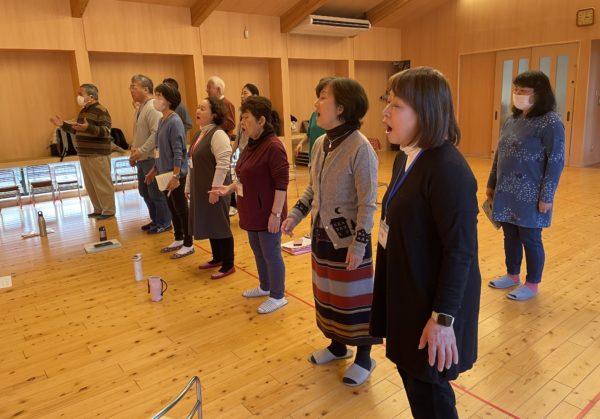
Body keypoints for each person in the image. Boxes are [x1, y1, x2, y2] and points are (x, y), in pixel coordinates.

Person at [369, 67, 481, 418]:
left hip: (433, 306)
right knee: (415, 380)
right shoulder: (406, 156)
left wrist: (442, 319)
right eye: (387, 102)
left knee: (430, 391)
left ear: (425, 113)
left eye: (396, 105)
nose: (385, 112)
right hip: (409, 292)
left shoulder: (448, 169)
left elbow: (461, 251)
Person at [281, 77, 380, 387]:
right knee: (327, 294)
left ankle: (364, 356)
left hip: (349, 240)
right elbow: (313, 188)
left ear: (341, 107)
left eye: (323, 97)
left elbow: (368, 203)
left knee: (355, 300)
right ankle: (337, 346)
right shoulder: (321, 143)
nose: (316, 103)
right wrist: (295, 215)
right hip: (321, 235)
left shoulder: (361, 148)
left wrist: (359, 246)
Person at [487, 71, 565, 301]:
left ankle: (532, 284)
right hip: (506, 190)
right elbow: (499, 153)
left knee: (530, 238)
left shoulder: (551, 123)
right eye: (516, 89)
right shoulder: (512, 119)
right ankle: (512, 275)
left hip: (531, 193)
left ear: (539, 93)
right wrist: (492, 182)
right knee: (510, 235)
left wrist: (547, 196)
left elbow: (556, 161)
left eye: (523, 90)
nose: (517, 94)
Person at [213, 96, 289, 314]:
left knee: (271, 253)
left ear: (261, 120)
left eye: (246, 118)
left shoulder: (273, 146)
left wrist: (276, 214)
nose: (242, 122)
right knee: (258, 250)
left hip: (268, 212)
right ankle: (265, 286)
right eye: (242, 117)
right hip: (252, 210)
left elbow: (281, 184)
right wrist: (229, 189)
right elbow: (244, 177)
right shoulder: (251, 144)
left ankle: (278, 296)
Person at [186, 97, 235, 278]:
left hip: (216, 188)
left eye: (203, 108)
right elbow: (191, 162)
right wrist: (188, 186)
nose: (198, 111)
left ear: (214, 114)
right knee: (210, 221)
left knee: (220, 223)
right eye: (198, 107)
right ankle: (217, 258)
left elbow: (223, 163)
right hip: (201, 187)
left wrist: (216, 189)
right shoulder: (199, 134)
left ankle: (228, 264)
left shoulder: (218, 134)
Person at [50, 84, 115, 219]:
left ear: (91, 97)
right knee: (91, 185)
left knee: (102, 184)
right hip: (84, 153)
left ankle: (108, 211)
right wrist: (63, 125)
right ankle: (98, 209)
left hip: (97, 154)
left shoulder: (101, 110)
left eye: (81, 94)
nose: (78, 97)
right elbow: (77, 130)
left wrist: (88, 128)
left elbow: (106, 131)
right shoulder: (83, 111)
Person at [144, 83, 194, 259]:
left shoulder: (175, 121)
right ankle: (178, 238)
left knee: (181, 209)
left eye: (159, 96)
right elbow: (160, 150)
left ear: (169, 100)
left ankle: (188, 243)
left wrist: (175, 175)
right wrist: (154, 169)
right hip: (164, 173)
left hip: (175, 174)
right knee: (172, 208)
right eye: (156, 95)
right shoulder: (161, 120)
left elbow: (179, 151)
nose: (155, 99)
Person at [128, 74, 172, 234]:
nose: (131, 90)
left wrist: (141, 150)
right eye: (130, 87)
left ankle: (164, 222)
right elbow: (138, 134)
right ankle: (155, 219)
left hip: (151, 157)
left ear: (146, 89)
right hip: (142, 158)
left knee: (155, 192)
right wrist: (134, 152)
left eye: (134, 87)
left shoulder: (152, 107)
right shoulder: (140, 108)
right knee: (144, 191)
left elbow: (156, 134)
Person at [294, 77, 332, 166]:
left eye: (323, 98)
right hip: (313, 157)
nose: (316, 104)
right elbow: (308, 134)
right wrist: (300, 144)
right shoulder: (314, 115)